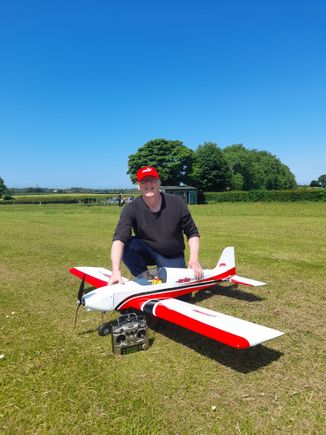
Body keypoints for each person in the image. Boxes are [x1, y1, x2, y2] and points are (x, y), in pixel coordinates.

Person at [108, 166, 202, 285]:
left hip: (172, 254)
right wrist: (115, 270)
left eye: (152, 180)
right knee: (127, 244)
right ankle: (145, 279)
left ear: (159, 183)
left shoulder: (176, 203)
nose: (148, 184)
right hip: (148, 250)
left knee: (181, 295)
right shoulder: (130, 208)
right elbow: (119, 239)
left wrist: (194, 258)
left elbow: (192, 232)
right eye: (143, 181)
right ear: (138, 186)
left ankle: (163, 276)